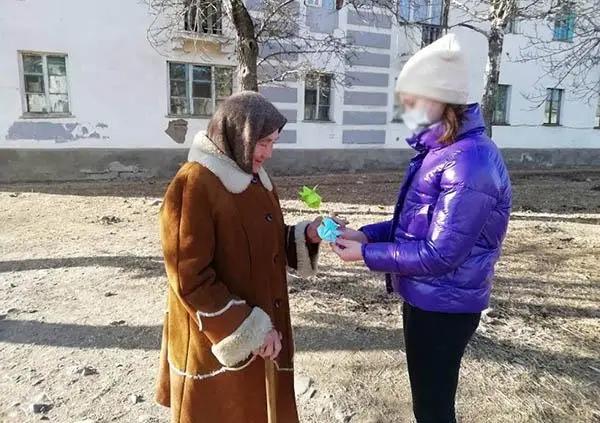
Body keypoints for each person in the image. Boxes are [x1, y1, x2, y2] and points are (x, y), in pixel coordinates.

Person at [332, 33, 512, 423]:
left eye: (412, 102)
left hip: (445, 306)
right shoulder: (441, 152)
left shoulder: (470, 161)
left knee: (433, 410)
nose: (406, 111)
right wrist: (366, 235)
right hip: (427, 297)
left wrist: (366, 255)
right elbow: (414, 226)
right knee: (427, 405)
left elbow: (441, 253)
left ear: (441, 99)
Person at [155, 91, 327, 423]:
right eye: (263, 142)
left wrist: (306, 235)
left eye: (273, 142)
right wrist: (249, 330)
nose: (269, 153)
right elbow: (189, 278)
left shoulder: (255, 179)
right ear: (238, 134)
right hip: (214, 342)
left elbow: (265, 241)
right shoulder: (194, 183)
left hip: (261, 334)